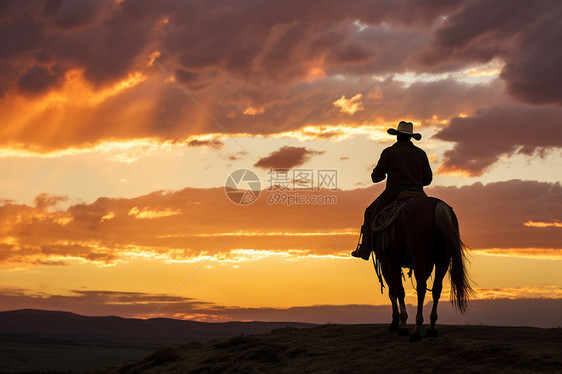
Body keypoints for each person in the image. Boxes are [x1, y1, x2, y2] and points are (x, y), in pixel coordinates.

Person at [351, 121, 432, 260]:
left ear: (397, 136)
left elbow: (376, 177)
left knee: (370, 212)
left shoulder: (389, 152)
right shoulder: (421, 153)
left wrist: (383, 173)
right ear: (410, 137)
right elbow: (427, 180)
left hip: (394, 193)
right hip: (419, 194)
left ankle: (365, 249)